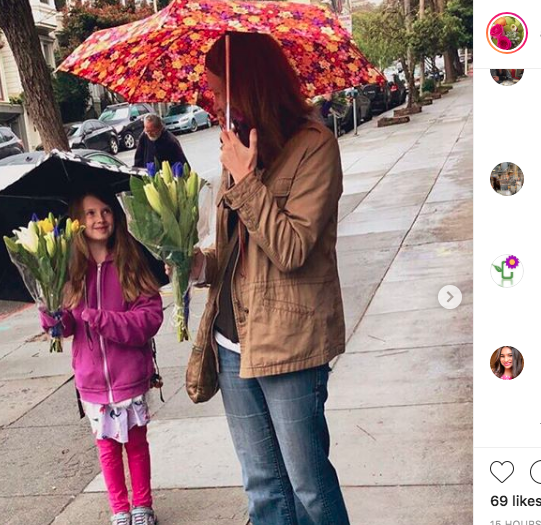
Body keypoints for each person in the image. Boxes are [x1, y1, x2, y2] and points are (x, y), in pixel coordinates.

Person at [192, 32, 350, 524]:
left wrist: (246, 179)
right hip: (232, 341)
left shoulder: (313, 147)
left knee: (307, 488)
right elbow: (237, 253)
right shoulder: (240, 148)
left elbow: (291, 250)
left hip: (290, 342)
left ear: (250, 86)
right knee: (263, 489)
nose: (214, 102)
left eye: (219, 91)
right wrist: (195, 264)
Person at [40, 191, 164, 525]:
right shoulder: (69, 272)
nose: (100, 219)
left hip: (129, 376)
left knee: (136, 444)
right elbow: (66, 326)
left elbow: (149, 319)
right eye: (91, 213)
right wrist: (51, 313)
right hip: (92, 380)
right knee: (107, 448)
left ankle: (142, 506)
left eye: (106, 210)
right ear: (77, 222)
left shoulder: (131, 262)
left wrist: (99, 318)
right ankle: (120, 509)